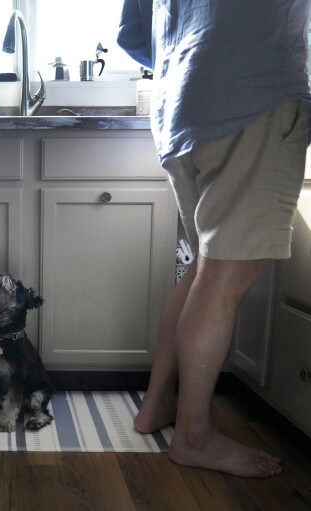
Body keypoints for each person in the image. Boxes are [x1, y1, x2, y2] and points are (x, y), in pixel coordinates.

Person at [118, 0, 311, 477]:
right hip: (254, 90)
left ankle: (157, 404)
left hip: (180, 102)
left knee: (207, 268)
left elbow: (133, 35)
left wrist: (195, 56)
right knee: (224, 273)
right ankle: (195, 436)